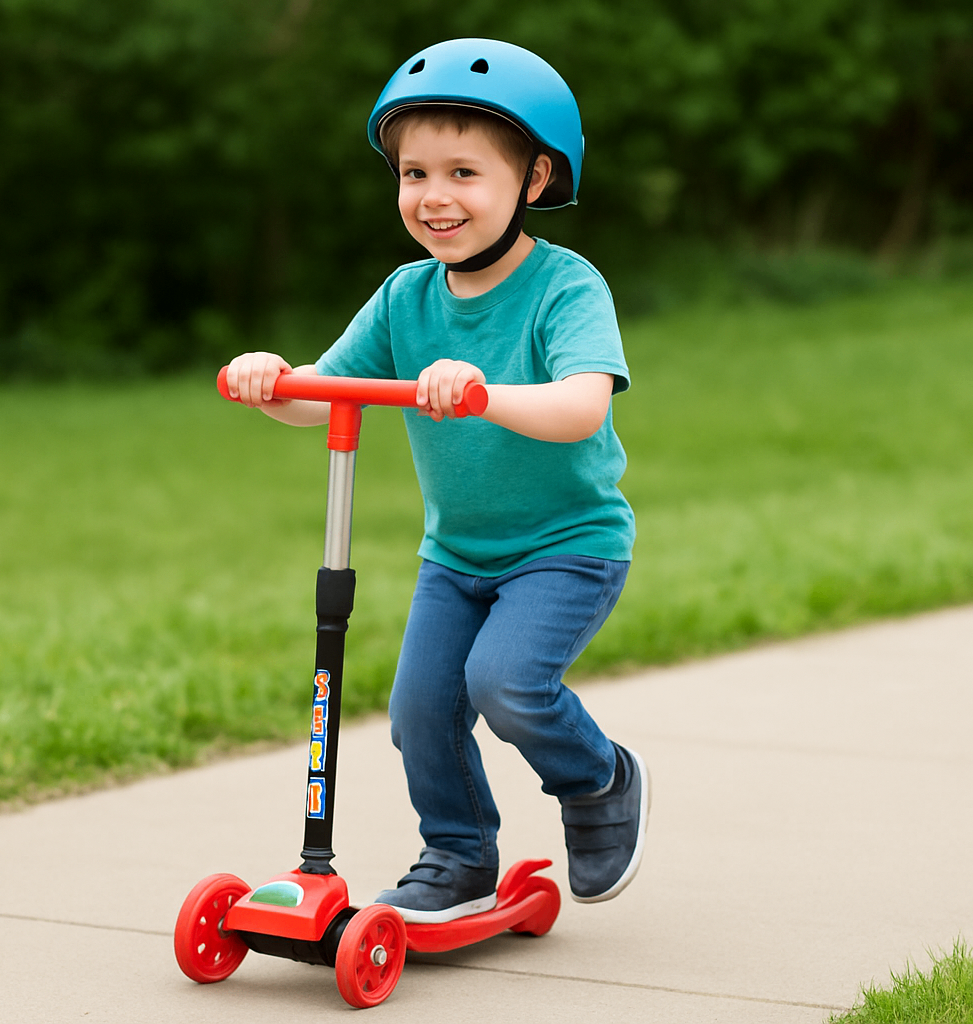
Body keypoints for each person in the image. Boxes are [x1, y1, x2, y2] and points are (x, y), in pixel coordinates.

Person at [225, 38, 649, 923]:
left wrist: (485, 394)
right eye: (414, 173)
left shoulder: (565, 288)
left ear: (533, 181)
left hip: (566, 548)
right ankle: (457, 855)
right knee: (419, 709)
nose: (433, 196)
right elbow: (323, 393)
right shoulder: (404, 298)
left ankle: (598, 776)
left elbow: (583, 407)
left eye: (463, 171)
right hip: (455, 554)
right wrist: (275, 381)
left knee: (503, 682)